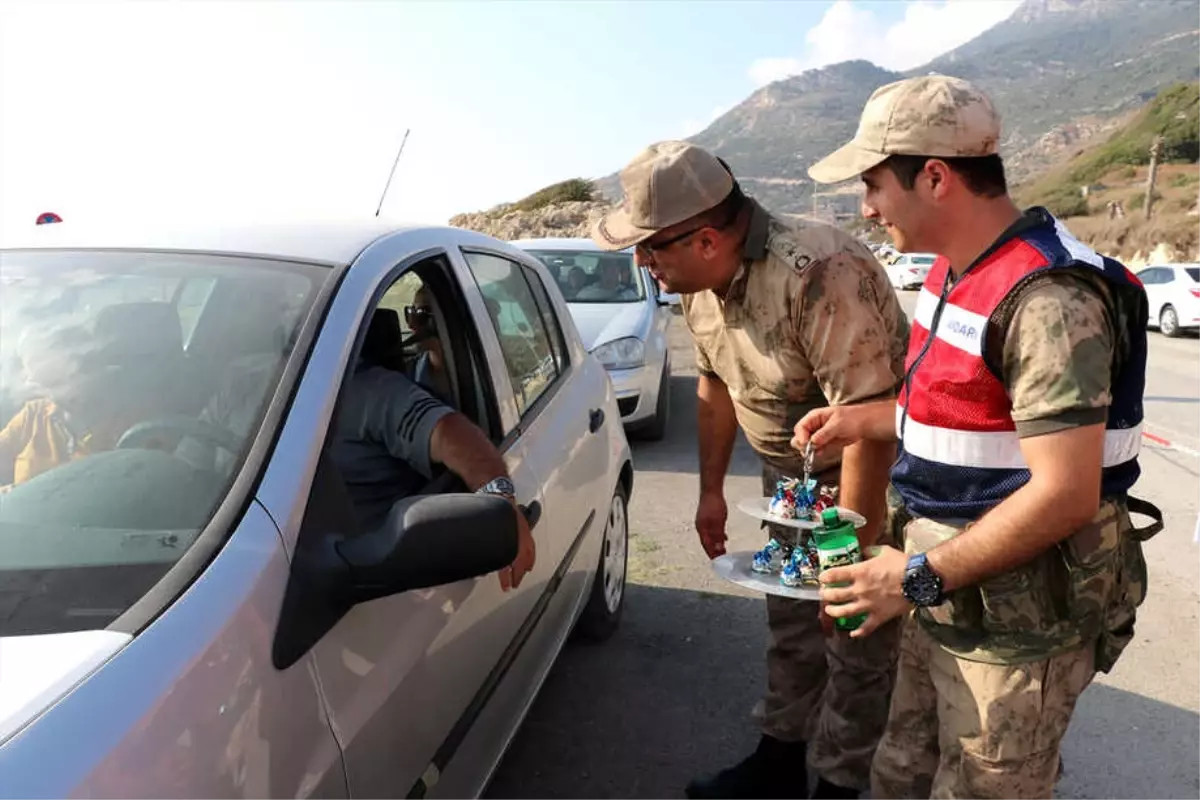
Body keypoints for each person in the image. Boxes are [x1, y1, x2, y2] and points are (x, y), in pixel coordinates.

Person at [795, 74, 1163, 799]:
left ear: (934, 177)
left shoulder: (1051, 301)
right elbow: (967, 410)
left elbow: (1065, 494)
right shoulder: (954, 270)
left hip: (1015, 626)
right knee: (901, 772)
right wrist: (866, 421)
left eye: (873, 184)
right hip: (943, 594)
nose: (866, 208)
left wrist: (912, 577)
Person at [592, 140, 910, 800]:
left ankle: (842, 785)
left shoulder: (819, 272)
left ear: (706, 239)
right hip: (791, 485)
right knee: (792, 625)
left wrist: (847, 553)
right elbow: (713, 386)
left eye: (650, 248)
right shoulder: (696, 283)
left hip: (859, 483)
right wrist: (710, 492)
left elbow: (867, 425)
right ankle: (778, 764)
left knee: (853, 637)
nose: (641, 263)